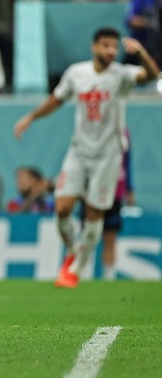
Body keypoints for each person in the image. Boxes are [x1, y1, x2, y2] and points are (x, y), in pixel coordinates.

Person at [13, 27, 159, 288]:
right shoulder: (76, 74)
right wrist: (30, 118)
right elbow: (56, 100)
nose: (110, 51)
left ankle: (77, 267)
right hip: (79, 151)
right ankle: (74, 250)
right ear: (94, 47)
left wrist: (143, 54)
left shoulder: (122, 76)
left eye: (114, 46)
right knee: (62, 208)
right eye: (105, 46)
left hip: (108, 155)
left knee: (94, 214)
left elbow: (152, 74)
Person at [79, 130, 134, 281]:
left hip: (114, 189)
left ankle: (109, 277)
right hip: (91, 190)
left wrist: (129, 187)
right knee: (87, 235)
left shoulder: (122, 132)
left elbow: (127, 161)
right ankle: (82, 273)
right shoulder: (88, 128)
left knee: (110, 236)